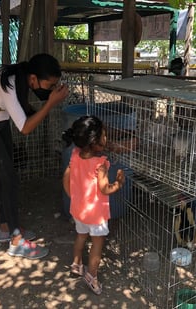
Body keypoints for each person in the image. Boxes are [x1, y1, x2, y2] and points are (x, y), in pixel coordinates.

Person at [0, 53, 69, 259]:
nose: (50, 89)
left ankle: (6, 228)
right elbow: (24, 128)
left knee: (7, 175)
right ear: (33, 79)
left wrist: (50, 99)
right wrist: (51, 103)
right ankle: (16, 241)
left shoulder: (20, 81)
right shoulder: (9, 84)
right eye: (49, 85)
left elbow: (23, 117)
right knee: (9, 178)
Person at [62, 116, 125, 295]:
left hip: (78, 210)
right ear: (94, 142)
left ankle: (76, 264)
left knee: (81, 235)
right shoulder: (100, 164)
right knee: (97, 244)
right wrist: (119, 182)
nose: (106, 138)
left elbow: (66, 178)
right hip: (96, 214)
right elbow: (105, 189)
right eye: (104, 136)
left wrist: (73, 197)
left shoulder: (74, 155)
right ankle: (92, 275)